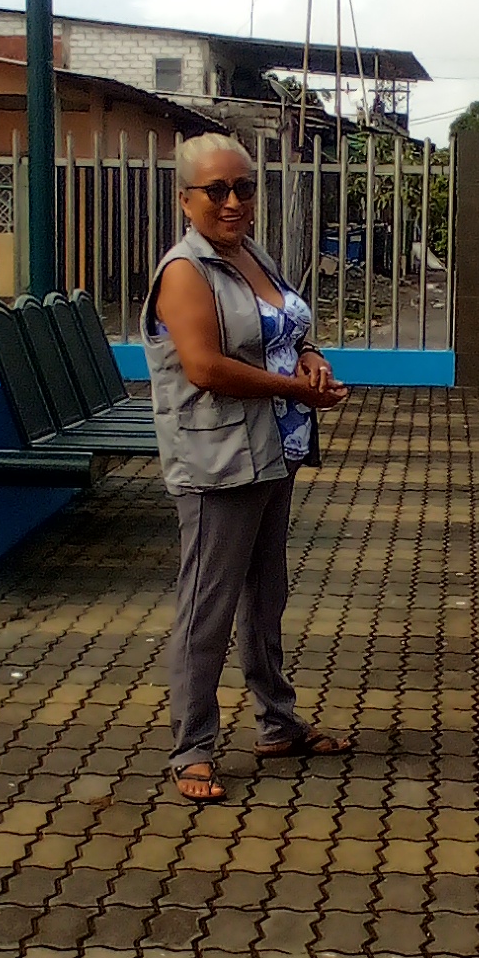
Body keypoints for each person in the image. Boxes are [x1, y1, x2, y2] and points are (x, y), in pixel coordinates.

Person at [143, 135, 352, 804]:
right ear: (185, 199)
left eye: (244, 187)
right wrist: (296, 391)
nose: (233, 201)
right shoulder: (186, 271)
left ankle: (277, 724)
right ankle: (192, 749)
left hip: (273, 450)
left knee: (265, 597)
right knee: (207, 607)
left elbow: (285, 329)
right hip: (218, 462)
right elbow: (205, 368)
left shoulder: (250, 254)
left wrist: (311, 359)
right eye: (216, 190)